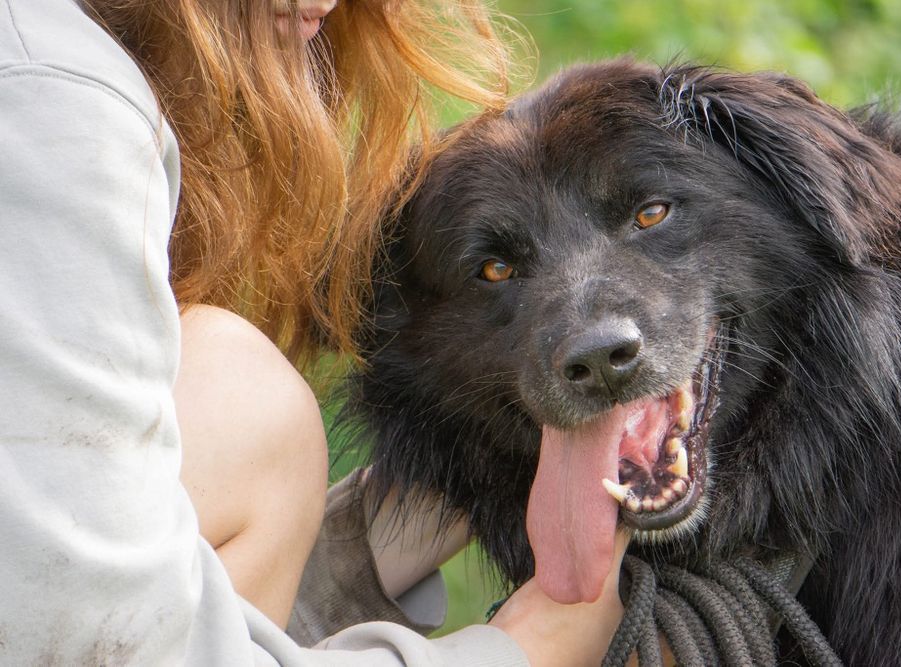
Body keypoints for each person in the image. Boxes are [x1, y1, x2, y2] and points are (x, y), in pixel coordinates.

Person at [0, 0, 631, 664]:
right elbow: (88, 648)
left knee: (247, 412)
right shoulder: (50, 99)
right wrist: (515, 652)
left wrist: (382, 536)